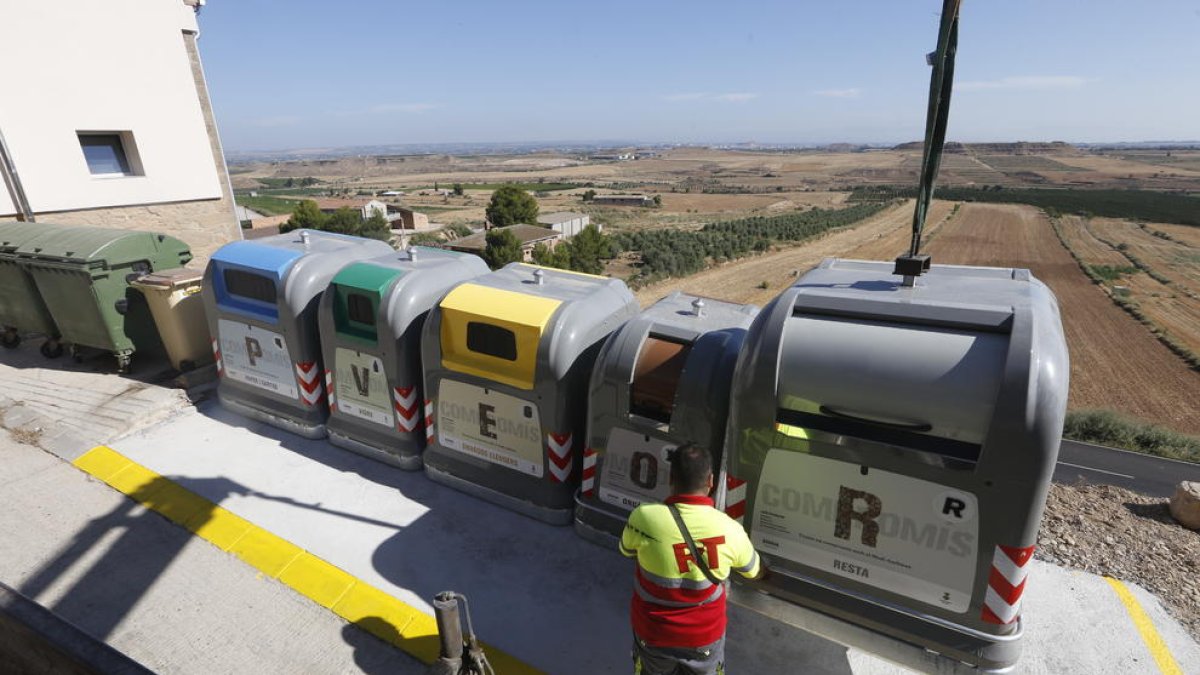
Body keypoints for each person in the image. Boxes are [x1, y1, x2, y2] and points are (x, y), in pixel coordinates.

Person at [619, 443, 765, 675]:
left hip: (652, 634)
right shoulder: (730, 530)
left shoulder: (642, 518)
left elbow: (626, 550)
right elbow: (753, 571)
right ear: (711, 481)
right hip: (704, 639)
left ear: (671, 478)